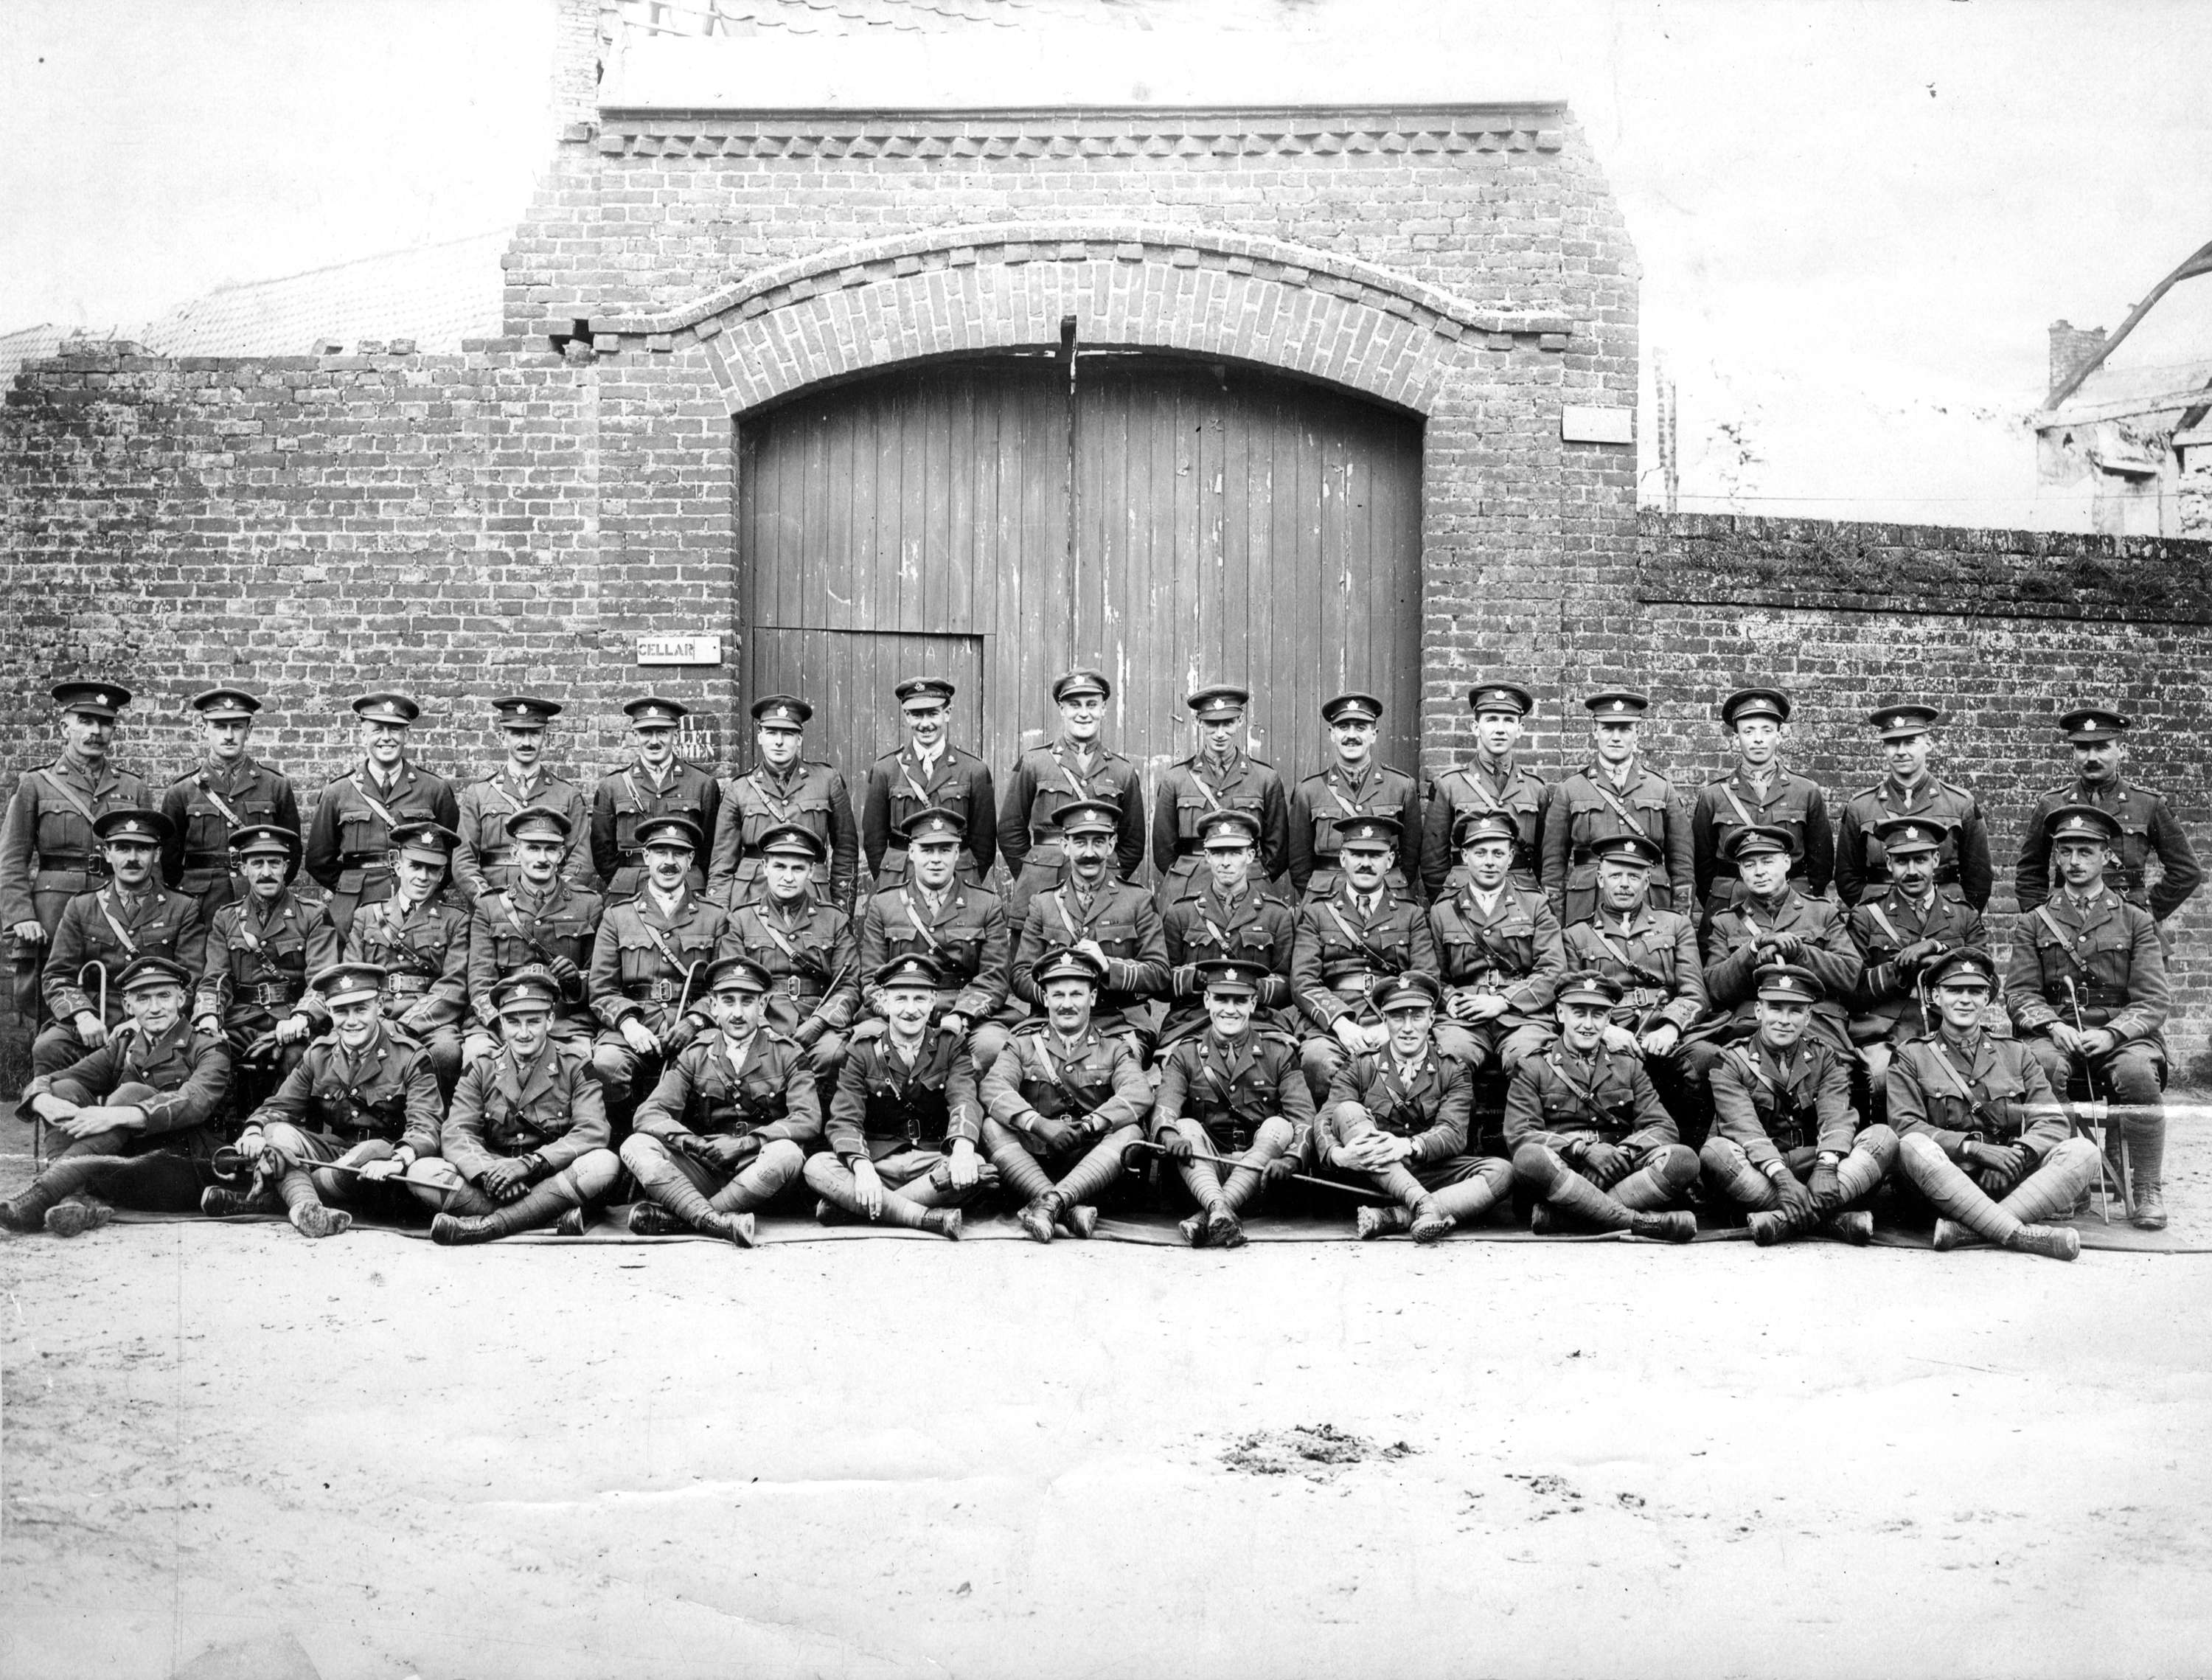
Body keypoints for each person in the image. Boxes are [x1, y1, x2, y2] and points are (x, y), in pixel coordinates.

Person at [2003, 803, 2170, 1229]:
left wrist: (2114, 1035)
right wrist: (2054, 1026)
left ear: (2107, 856)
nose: (2075, 862)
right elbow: (2019, 993)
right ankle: (2068, 1178)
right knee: (2040, 1065)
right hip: (2056, 1032)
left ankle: (2147, 1184)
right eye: (2066, 852)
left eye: (2086, 852)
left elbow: (2152, 1000)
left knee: (2137, 1074)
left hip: (2121, 1037)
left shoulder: (2135, 920)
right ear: (2056, 856)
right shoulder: (2034, 922)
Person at [201, 962, 445, 1239]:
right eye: (341, 1011)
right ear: (329, 1011)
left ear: (380, 1005)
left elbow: (426, 1126)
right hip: (335, 1155)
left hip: (384, 1168)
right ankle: (310, 1209)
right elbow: (280, 1107)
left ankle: (287, 1196)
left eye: (361, 1009)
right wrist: (254, 1131)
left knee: (372, 1150)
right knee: (277, 1133)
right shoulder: (319, 1054)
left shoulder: (411, 1056)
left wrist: (400, 1159)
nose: (351, 1021)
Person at [4, 956, 232, 1237]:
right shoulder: (125, 1046)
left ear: (182, 998)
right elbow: (56, 1080)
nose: (155, 1008)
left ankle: (42, 1195)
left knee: (130, 1093)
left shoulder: (208, 1046)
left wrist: (117, 1114)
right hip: (125, 1167)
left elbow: (194, 1101)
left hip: (183, 1172)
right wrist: (40, 1099)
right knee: (63, 1091)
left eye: (164, 996)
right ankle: (72, 1199)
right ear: (127, 1005)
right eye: (143, 999)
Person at [1892, 948, 2094, 1261]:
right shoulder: (1912, 1055)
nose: (1965, 1000)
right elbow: (1906, 1126)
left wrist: (2019, 1155)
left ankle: (1970, 1231)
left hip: (2007, 1179)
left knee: (2084, 1152)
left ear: (1987, 998)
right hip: (1946, 1181)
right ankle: (2019, 1233)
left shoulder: (2016, 1053)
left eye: (1975, 991)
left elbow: (2053, 1120)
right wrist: (1973, 1149)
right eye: (1954, 990)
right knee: (1914, 1146)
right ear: (1935, 997)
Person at [407, 966, 622, 1244]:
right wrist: (487, 1174)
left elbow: (591, 1131)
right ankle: (546, 1217)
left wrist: (531, 1165)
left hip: (549, 1176)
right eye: (513, 1022)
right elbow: (458, 1132)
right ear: (501, 1023)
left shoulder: (575, 1065)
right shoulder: (482, 1067)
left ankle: (489, 1225)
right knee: (421, 1173)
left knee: (604, 1163)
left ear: (550, 1020)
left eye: (533, 1021)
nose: (523, 1033)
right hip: (495, 1180)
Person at [620, 954, 819, 1245]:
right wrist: (691, 1142)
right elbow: (649, 1114)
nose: (737, 1013)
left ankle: (685, 1217)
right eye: (728, 1001)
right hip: (708, 1165)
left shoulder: (787, 1053)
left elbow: (808, 1119)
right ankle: (717, 1221)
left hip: (758, 1170)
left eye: (747, 1001)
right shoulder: (696, 1053)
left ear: (762, 1005)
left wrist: (746, 1143)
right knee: (635, 1145)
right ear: (713, 1005)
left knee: (787, 1153)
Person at [1699, 963, 1897, 1246]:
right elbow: (1743, 1126)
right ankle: (1830, 1221)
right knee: (1715, 1153)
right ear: (1759, 1011)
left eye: (1794, 1011)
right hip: (1762, 1172)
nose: (1784, 1019)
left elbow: (1836, 1115)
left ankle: (1783, 1220)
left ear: (1808, 1017)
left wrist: (1827, 1166)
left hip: (1814, 1164)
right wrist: (1781, 1178)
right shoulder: (1730, 1059)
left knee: (1883, 1137)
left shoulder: (1825, 1056)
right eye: (1775, 1008)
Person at [801, 953, 989, 1240]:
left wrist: (962, 1150)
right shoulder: (863, 1050)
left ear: (934, 1002)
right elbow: (844, 1119)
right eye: (901, 999)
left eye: (920, 999)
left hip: (931, 1161)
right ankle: (922, 1217)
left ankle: (854, 1210)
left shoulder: (950, 1046)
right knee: (816, 1166)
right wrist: (863, 1170)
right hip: (878, 1164)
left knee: (974, 1165)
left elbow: (964, 1099)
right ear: (885, 1002)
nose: (910, 1010)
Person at [1318, 971, 1515, 1243]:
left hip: (1427, 1170)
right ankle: (1424, 1204)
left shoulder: (1452, 1070)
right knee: (1347, 1112)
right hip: (1372, 1174)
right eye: (1398, 1017)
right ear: (1384, 1020)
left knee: (1502, 1173)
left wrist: (1408, 1146)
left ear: (1432, 1019)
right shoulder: (1361, 1065)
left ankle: (1393, 1217)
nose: (1407, 1027)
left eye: (1417, 1016)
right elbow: (1326, 1119)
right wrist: (1338, 1156)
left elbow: (1452, 1132)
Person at [1504, 971, 1700, 1241]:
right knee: (1529, 1158)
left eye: (1598, 1015)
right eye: (1579, 1013)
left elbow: (1661, 1126)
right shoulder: (1533, 1066)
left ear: (1609, 1020)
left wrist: (1623, 1155)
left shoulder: (1627, 1065)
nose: (1588, 1024)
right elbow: (1520, 1134)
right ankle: (1638, 1221)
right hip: (1566, 1170)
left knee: (1684, 1160)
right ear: (1561, 1014)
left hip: (1619, 1171)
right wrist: (1583, 1152)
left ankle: (1569, 1217)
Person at [980, 947, 1153, 1243]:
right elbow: (993, 1087)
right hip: (1036, 1162)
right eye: (1058, 995)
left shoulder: (1114, 1046)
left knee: (1132, 1131)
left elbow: (1138, 1092)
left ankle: (1051, 1203)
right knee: (992, 1126)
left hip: (1091, 1165)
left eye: (1077, 994)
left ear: (1093, 998)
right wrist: (1039, 1125)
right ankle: (1068, 1210)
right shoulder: (1022, 1044)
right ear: (1045, 999)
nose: (1067, 1004)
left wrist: (1090, 1125)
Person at [1, 680, 150, 1019]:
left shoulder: (133, 787)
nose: (96, 731)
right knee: (53, 996)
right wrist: (21, 916)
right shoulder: (36, 784)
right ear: (64, 726)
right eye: (85, 720)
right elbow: (11, 859)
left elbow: (147, 861)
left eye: (105, 722)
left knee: (116, 991)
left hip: (114, 902)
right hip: (53, 908)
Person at [1682, 827, 1863, 1102]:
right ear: (1740, 871)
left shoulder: (1822, 912)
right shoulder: (1725, 922)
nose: (1759, 871)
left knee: (1830, 1072)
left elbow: (1850, 974)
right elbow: (1716, 987)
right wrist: (1751, 952)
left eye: (1768, 862)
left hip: (1812, 1019)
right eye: (1749, 864)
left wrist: (1802, 954)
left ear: (1787, 863)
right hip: (1751, 1021)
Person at [1150, 957, 1314, 1248]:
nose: (1230, 1009)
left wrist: (1291, 1158)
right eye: (1221, 999)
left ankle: (1209, 1215)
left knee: (1278, 1125)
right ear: (1206, 1001)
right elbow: (1165, 1108)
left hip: (1260, 1177)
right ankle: (1219, 1209)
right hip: (1202, 1173)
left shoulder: (1278, 1053)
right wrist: (1168, 1134)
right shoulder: (1185, 1053)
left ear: (1253, 1004)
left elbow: (1303, 1118)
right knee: (1184, 1126)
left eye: (1240, 1001)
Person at [33, 808, 206, 1078]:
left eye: (143, 849)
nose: (132, 858)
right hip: (97, 1015)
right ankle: (64, 1119)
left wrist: (145, 1021)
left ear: (157, 854)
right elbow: (57, 975)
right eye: (123, 848)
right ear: (107, 854)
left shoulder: (183, 908)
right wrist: (83, 1016)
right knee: (49, 1047)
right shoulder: (82, 906)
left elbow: (191, 979)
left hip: (157, 1016)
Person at [586, 815, 731, 1117]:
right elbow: (601, 989)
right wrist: (629, 1025)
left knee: (717, 1062)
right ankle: (622, 1139)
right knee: (606, 1065)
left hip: (693, 1028)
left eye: (678, 853)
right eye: (661, 853)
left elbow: (725, 986)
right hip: (635, 1026)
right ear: (646, 856)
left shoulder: (714, 916)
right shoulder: (618, 916)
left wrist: (695, 1021)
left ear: (691, 859)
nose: (669, 862)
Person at [191, 824, 341, 1114]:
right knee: (203, 1049)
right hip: (240, 1022)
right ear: (244, 868)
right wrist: (209, 1015)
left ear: (286, 866)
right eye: (257, 863)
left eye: (274, 863)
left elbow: (323, 978)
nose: (266, 872)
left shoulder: (312, 915)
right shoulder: (226, 918)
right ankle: (219, 1135)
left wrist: (303, 1016)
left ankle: (288, 1129)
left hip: (289, 1020)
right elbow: (215, 978)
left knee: (300, 1056)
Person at [2014, 705, 2201, 934]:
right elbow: (2030, 871)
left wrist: (2146, 913)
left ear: (2121, 750)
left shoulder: (2148, 804)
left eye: (2102, 748)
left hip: (2127, 925)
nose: (2092, 757)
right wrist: (2042, 920)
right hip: (2066, 925)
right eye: (2082, 748)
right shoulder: (2052, 805)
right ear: (2073, 751)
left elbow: (2187, 871)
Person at [1290, 814, 1438, 1103]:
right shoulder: (1317, 913)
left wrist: (1392, 1024)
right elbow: (1303, 982)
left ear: (1391, 859)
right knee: (1317, 1060)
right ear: (1343, 858)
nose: (1366, 863)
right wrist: (1341, 1025)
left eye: (1376, 855)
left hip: (1395, 1015)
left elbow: (1426, 978)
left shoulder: (1411, 914)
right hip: (1335, 1021)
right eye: (1357, 854)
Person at [855, 806, 1014, 1072]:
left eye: (944, 850)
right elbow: (871, 979)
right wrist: (904, 1015)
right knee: (864, 1044)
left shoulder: (986, 905)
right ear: (912, 852)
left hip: (964, 1010)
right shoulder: (884, 905)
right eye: (927, 850)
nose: (936, 859)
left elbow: (995, 978)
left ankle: (982, 1112)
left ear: (957, 852)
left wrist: (960, 1016)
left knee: (993, 1047)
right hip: (899, 1010)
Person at [1560, 832, 1707, 1114]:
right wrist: (1605, 1031)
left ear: (1647, 881)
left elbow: (1695, 991)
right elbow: (1570, 999)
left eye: (1633, 876)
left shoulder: (1676, 925)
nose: (1624, 885)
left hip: (1666, 1034)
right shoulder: (1576, 935)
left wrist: (1671, 1027)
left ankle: (1689, 1149)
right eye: (1616, 876)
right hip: (1610, 1034)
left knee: (1704, 1059)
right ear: (1601, 880)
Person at [1007, 799, 1167, 1049]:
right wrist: (1059, 992)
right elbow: (1019, 975)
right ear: (1065, 846)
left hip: (1118, 1021)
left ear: (1112, 844)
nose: (1089, 853)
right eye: (1080, 842)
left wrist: (1108, 967)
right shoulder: (1043, 903)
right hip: (1052, 1020)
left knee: (1123, 1063)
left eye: (1099, 842)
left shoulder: (1138, 900)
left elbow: (1159, 973)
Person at [1845, 816, 1985, 1096]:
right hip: (1886, 1030)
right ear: (1888, 864)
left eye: (1920, 860)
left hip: (1950, 1025)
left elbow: (1987, 983)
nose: (1911, 871)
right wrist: (1901, 971)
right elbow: (1852, 989)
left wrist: (1938, 950)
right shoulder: (1866, 916)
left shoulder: (1963, 916)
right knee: (1883, 1074)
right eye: (1901, 862)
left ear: (1935, 859)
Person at [303, 692, 460, 937]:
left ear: (406, 734)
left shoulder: (434, 789)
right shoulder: (338, 792)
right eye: (377, 730)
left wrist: (422, 884)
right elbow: (318, 860)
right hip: (355, 908)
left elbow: (453, 857)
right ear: (362, 734)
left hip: (418, 907)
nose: (387, 738)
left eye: (396, 730)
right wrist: (351, 886)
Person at [997, 669, 1145, 923]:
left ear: (1104, 709)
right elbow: (1010, 830)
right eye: (1074, 705)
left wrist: (1108, 872)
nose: (1084, 713)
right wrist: (1035, 869)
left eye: (1092, 705)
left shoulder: (1122, 771)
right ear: (1062, 709)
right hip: (1040, 885)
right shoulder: (1035, 762)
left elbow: (1133, 842)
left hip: (1102, 890)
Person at [462, 806, 604, 1066]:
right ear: (515, 853)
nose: (542, 858)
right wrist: (505, 1026)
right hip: (502, 1021)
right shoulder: (490, 907)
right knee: (477, 1058)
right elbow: (480, 981)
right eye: (533, 848)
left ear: (562, 854)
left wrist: (574, 982)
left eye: (550, 849)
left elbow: (599, 979)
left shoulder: (588, 906)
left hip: (564, 1022)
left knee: (583, 1064)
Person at [1540, 689, 1694, 930]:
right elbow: (1552, 869)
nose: (1616, 737)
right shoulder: (1571, 790)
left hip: (1651, 905)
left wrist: (1679, 923)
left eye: (1624, 729)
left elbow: (1682, 866)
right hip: (1587, 907)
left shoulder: (1661, 789)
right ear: (1595, 731)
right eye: (1607, 728)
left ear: (1637, 734)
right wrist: (1556, 927)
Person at [1427, 811, 1563, 1075]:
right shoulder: (1442, 911)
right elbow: (1431, 974)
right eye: (1480, 853)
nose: (1489, 862)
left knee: (1529, 1061)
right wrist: (1451, 999)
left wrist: (1503, 1001)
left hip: (1522, 1016)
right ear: (1465, 857)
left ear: (1511, 857)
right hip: (1464, 1017)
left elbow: (1553, 970)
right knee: (1451, 1060)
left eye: (1498, 853)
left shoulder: (1535, 905)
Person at [721, 824, 860, 1077]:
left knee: (834, 1054)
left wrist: (818, 1024)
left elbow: (849, 985)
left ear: (811, 871)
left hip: (818, 1020)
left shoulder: (834, 919)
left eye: (798, 869)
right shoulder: (742, 920)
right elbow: (733, 984)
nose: (788, 877)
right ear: (764, 867)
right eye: (780, 867)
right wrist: (763, 1027)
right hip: (759, 1022)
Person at [343, 820, 469, 1098]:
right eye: (415, 866)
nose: (423, 876)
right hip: (377, 1013)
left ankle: (436, 1126)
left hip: (431, 1022)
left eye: (432, 869)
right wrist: (373, 1018)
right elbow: (352, 978)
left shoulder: (455, 921)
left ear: (442, 874)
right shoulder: (368, 916)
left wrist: (406, 1024)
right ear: (398, 866)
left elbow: (454, 986)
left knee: (447, 1052)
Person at [1688, 686, 1832, 924]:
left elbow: (1822, 865)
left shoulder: (1806, 792)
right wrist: (1723, 899)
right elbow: (1703, 867)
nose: (1758, 739)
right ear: (1736, 739)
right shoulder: (1713, 796)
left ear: (1779, 735)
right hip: (1731, 906)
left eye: (1767, 731)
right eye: (1749, 731)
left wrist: (1801, 903)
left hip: (1792, 905)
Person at [1157, 809, 1298, 1049]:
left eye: (1235, 852)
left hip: (1258, 1021)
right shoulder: (1181, 912)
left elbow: (1288, 984)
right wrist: (1200, 979)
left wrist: (1246, 987)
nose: (1226, 862)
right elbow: (1162, 982)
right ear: (1206, 856)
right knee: (1178, 1065)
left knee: (1278, 1061)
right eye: (1218, 852)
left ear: (1251, 855)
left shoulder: (1276, 915)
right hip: (1193, 1021)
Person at [159, 686, 301, 922]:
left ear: (249, 730)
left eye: (237, 727)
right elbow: (168, 863)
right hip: (202, 906)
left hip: (259, 900)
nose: (228, 735)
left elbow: (292, 854)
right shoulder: (182, 792)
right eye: (220, 726)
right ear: (204, 729)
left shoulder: (275, 786)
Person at [709, 694, 860, 911]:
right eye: (771, 733)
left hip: (811, 894)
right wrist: (719, 915)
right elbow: (722, 863)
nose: (779, 741)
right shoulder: (739, 789)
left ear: (799, 739)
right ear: (760, 737)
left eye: (788, 734)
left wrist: (841, 909)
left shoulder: (827, 780)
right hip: (751, 897)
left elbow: (846, 850)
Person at [1834, 702, 1992, 909]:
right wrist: (1872, 919)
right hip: (1880, 919)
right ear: (1883, 748)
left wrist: (1958, 919)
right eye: (1892, 743)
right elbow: (1847, 879)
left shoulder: (1960, 804)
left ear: (1928, 744)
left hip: (1945, 914)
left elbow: (1979, 879)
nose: (1900, 752)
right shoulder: (1861, 807)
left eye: (1910, 742)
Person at [1150, 684, 1290, 909]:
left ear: (1241, 721)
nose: (1220, 733)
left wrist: (1251, 873)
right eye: (1212, 724)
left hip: (1248, 887)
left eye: (1228, 723)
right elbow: (1163, 850)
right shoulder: (1176, 779)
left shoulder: (1265, 778)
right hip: (1188, 889)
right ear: (1198, 722)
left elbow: (1278, 851)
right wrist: (1185, 877)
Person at [1286, 690, 1426, 903]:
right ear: (1332, 734)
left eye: (1360, 728)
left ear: (1374, 734)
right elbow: (1299, 862)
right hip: (1327, 899)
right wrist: (1319, 903)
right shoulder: (1309, 790)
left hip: (1387, 897)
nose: (1351, 736)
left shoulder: (1402, 786)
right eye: (1343, 728)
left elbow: (1411, 857)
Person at [451, 695, 593, 903]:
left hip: (550, 907)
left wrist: (556, 899)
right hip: (494, 903)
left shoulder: (567, 795)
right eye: (517, 734)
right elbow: (463, 860)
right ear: (502, 737)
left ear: (547, 738)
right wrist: (487, 902)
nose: (526, 743)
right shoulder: (479, 794)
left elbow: (581, 860)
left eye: (534, 734)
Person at [861, 676, 997, 889]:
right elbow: (873, 840)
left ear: (947, 714)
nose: (925, 724)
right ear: (907, 716)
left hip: (958, 880)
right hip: (900, 879)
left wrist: (965, 877)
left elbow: (984, 843)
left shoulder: (974, 770)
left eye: (933, 714)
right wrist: (889, 876)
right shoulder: (885, 770)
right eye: (916, 715)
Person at [1422, 676, 1547, 900]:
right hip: (1464, 896)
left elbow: (1542, 860)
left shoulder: (1535, 789)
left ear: (1520, 729)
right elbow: (1433, 863)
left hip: (1521, 896)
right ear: (1475, 727)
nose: (1500, 729)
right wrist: (1450, 906)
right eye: (1491, 720)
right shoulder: (1449, 785)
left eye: (1508, 720)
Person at [589, 696, 720, 903]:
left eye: (662, 732)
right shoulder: (613, 786)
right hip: (630, 887)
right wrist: (625, 878)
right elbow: (602, 851)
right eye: (646, 733)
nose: (654, 741)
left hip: (686, 886)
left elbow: (710, 848)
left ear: (675, 734)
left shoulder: (703, 784)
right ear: (634, 735)